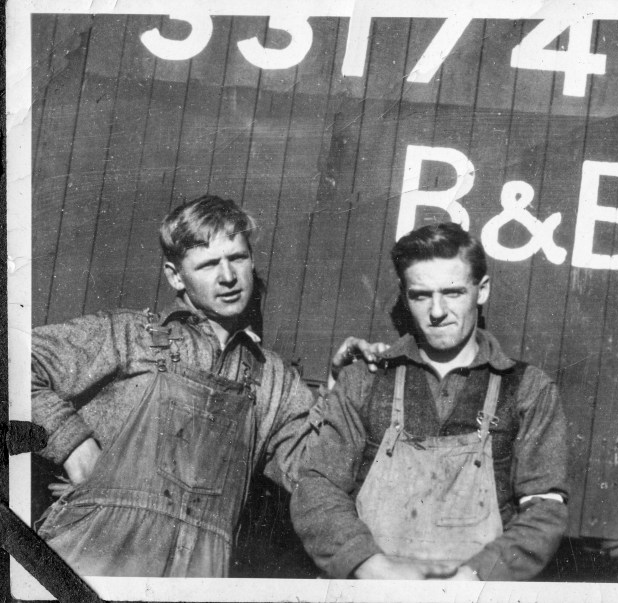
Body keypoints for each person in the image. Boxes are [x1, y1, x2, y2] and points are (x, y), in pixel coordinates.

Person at [32, 195, 320, 577]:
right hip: (90, 566)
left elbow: (319, 476)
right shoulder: (130, 336)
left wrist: (357, 385)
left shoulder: (274, 381)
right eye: (208, 264)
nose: (228, 277)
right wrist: (73, 445)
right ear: (175, 276)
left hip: (194, 578)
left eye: (237, 258)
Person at [291, 222, 569, 581]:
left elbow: (544, 509)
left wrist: (474, 578)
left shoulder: (528, 389)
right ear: (405, 295)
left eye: (452, 292)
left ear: (482, 290)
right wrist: (370, 566)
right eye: (421, 296)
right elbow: (317, 486)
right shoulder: (365, 380)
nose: (437, 311)